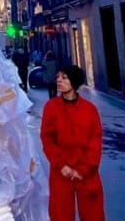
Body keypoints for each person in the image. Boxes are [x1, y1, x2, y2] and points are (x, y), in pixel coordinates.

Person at [41, 65, 104, 221]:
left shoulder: (90, 110)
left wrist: (83, 169)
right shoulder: (51, 107)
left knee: (92, 214)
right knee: (60, 213)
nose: (59, 81)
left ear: (74, 81)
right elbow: (47, 139)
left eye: (64, 77)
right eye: (58, 77)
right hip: (61, 171)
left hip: (87, 172)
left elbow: (95, 142)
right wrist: (61, 165)